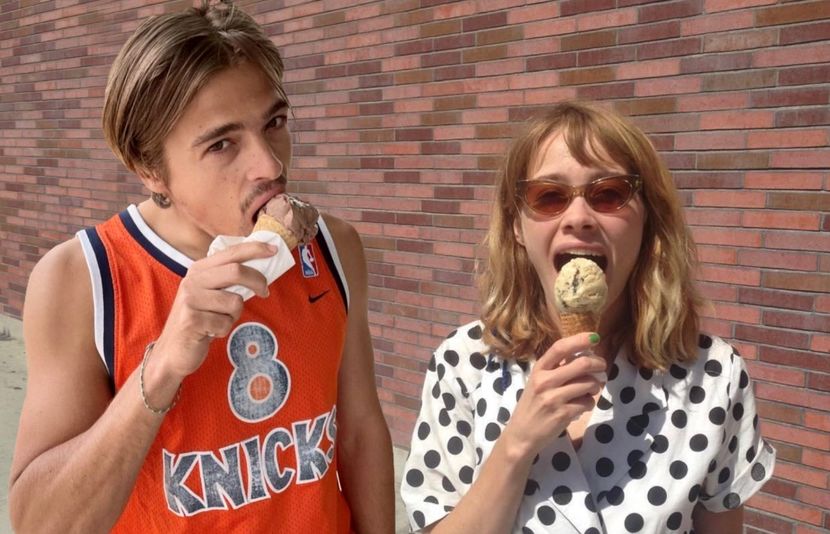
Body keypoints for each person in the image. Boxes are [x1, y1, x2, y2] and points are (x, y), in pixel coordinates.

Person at [8, 2, 394, 532]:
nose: (271, 166)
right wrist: (163, 363)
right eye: (222, 144)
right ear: (149, 168)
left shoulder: (333, 247)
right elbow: (40, 522)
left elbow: (358, 433)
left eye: (275, 123)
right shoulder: (82, 279)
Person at [401, 102, 775, 534]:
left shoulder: (714, 376)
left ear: (648, 220)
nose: (578, 217)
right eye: (549, 196)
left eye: (609, 193)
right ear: (517, 227)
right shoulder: (463, 363)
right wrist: (517, 444)